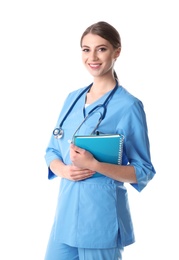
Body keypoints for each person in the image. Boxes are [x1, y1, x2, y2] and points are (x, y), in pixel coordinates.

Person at [44, 21, 156, 260]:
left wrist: (94, 165)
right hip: (64, 222)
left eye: (101, 49)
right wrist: (63, 169)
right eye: (86, 49)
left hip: (100, 223)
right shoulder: (72, 99)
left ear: (117, 51)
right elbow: (52, 150)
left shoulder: (129, 106)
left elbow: (144, 170)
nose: (92, 57)